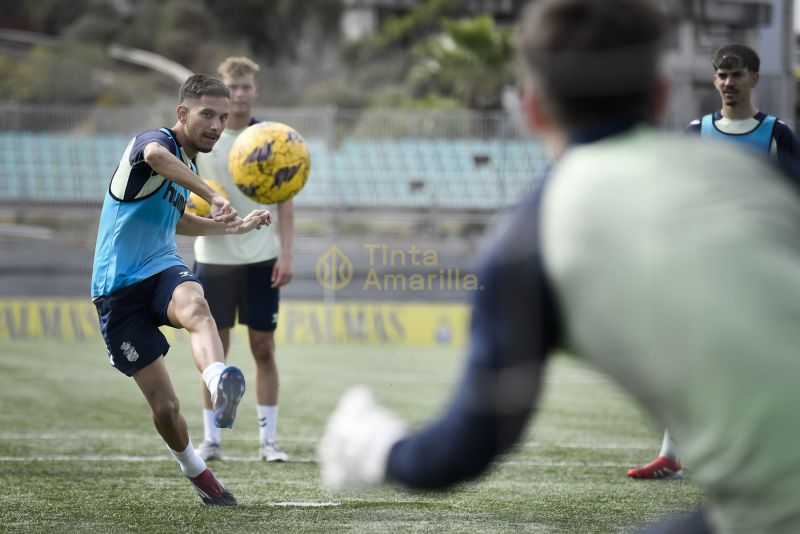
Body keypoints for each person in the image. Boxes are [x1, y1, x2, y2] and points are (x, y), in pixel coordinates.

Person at [318, 0, 800, 532]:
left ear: (532, 108)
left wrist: (379, 450)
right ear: (660, 95)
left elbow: (470, 443)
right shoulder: (761, 176)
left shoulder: (533, 234)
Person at [91, 74, 272, 506]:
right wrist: (212, 194)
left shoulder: (187, 169)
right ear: (182, 113)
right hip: (117, 288)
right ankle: (198, 473)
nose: (216, 125)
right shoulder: (154, 142)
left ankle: (218, 380)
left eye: (223, 118)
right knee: (166, 410)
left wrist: (233, 228)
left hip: (160, 269)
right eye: (207, 114)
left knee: (196, 305)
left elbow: (178, 221)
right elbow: (155, 157)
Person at [627, 43, 800, 480]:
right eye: (721, 75)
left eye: (736, 74)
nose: (728, 82)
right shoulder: (696, 132)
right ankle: (671, 456)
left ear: (754, 78)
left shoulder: (778, 134)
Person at [192, 57, 294, 463]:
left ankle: (269, 441)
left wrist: (286, 254)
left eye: (246, 86)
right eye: (232, 87)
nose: (239, 94)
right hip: (213, 259)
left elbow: (286, 202)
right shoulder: (204, 139)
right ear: (221, 91)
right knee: (214, 354)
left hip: (261, 259)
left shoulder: (272, 139)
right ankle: (211, 439)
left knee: (264, 349)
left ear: (255, 91)